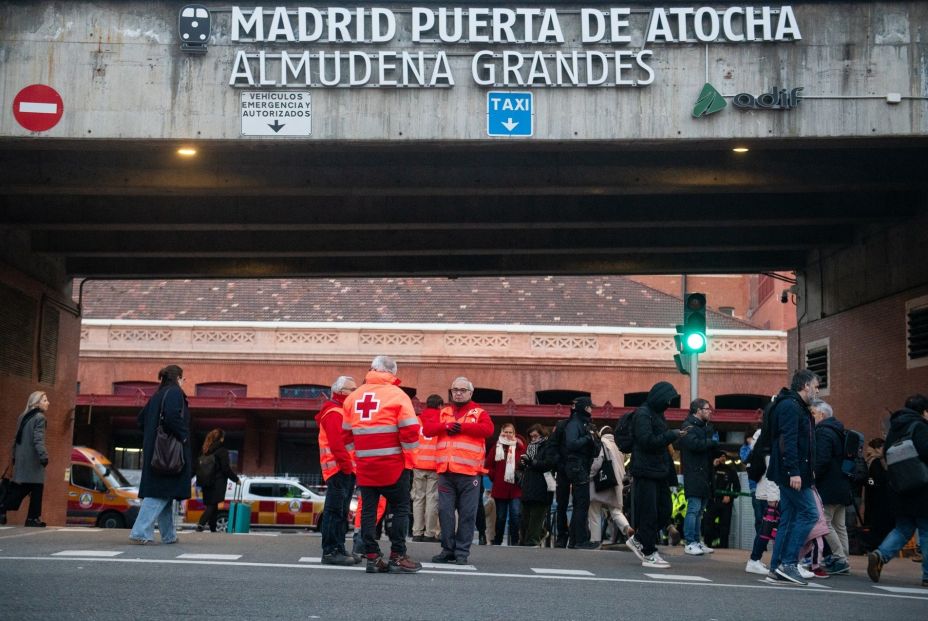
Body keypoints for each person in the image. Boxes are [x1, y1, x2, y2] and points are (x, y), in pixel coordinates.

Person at [343, 355, 422, 574]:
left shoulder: (353, 397)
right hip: (393, 464)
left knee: (368, 511)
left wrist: (358, 460)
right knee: (400, 509)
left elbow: (346, 436)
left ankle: (372, 557)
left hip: (366, 466)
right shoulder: (398, 395)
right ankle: (397, 555)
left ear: (372, 369)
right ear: (392, 374)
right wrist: (410, 459)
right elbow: (410, 432)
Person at [422, 376, 494, 565]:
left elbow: (488, 429)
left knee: (467, 514)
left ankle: (461, 552)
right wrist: (446, 426)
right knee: (445, 512)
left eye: (462, 390)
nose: (458, 393)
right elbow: (428, 429)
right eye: (455, 390)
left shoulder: (479, 412)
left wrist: (461, 427)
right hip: (446, 471)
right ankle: (448, 549)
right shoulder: (444, 411)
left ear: (470, 393)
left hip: (470, 473)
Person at [765, 369, 821, 585]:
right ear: (805, 385)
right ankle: (788, 564)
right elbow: (788, 440)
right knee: (809, 513)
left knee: (788, 518)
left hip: (793, 471)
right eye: (815, 385)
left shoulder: (794, 405)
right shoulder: (791, 406)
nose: (817, 390)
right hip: (792, 473)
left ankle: (777, 567)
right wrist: (794, 471)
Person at [867, 394, 928, 588]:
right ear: (924, 411)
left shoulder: (895, 429)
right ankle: (927, 575)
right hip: (922, 488)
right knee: (926, 530)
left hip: (899, 489)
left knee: (903, 528)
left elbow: (886, 455)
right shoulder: (920, 427)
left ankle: (880, 554)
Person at [129, 364, 192, 545]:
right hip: (168, 453)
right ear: (178, 378)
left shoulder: (157, 395)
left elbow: (141, 420)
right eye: (183, 378)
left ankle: (168, 535)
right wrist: (184, 436)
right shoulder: (174, 393)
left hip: (155, 451)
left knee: (165, 490)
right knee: (160, 492)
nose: (184, 382)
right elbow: (172, 416)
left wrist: (153, 435)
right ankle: (140, 532)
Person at [627, 381, 686, 569]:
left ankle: (639, 540)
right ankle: (649, 551)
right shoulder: (643, 414)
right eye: (668, 399)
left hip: (659, 470)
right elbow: (646, 441)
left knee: (665, 510)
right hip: (645, 470)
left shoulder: (657, 414)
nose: (669, 403)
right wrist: (671, 435)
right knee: (649, 512)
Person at [315, 375, 359, 565]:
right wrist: (348, 467)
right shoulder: (334, 412)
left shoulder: (339, 411)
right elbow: (337, 444)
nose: (356, 393)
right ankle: (331, 551)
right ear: (341, 392)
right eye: (352, 389)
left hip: (342, 469)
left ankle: (339, 548)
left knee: (341, 512)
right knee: (335, 511)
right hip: (339, 469)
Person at [810, 399, 852, 575]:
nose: (811, 416)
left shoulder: (824, 432)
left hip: (829, 486)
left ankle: (840, 559)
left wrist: (812, 476)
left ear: (822, 414)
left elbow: (822, 459)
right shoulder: (839, 431)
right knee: (839, 525)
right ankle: (844, 559)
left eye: (813, 413)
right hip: (842, 485)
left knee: (825, 523)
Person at [0, 391, 50, 527]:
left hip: (22, 460)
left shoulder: (22, 417)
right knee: (37, 487)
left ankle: (3, 507)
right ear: (36, 403)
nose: (48, 403)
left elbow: (16, 439)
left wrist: (15, 456)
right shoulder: (39, 417)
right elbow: (38, 439)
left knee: (22, 488)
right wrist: (44, 456)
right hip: (33, 461)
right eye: (45, 400)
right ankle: (32, 519)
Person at [678, 398, 719, 556]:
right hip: (694, 473)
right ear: (698, 410)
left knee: (700, 510)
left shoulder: (704, 427)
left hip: (704, 474)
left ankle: (696, 540)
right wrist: (711, 442)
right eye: (707, 409)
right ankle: (690, 542)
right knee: (693, 509)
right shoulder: (688, 426)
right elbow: (694, 444)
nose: (709, 412)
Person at [588, 425, 633, 546]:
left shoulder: (602, 442)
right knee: (616, 510)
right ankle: (627, 527)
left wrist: (589, 475)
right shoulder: (619, 447)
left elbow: (598, 462)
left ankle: (595, 541)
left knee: (594, 511)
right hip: (616, 484)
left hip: (601, 482)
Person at [486, 422, 525, 546]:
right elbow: (488, 465)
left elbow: (525, 463)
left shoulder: (520, 447)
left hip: (515, 488)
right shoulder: (496, 447)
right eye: (506, 432)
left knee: (515, 514)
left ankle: (514, 541)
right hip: (500, 487)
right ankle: (498, 540)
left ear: (514, 434)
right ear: (502, 433)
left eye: (510, 432)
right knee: (501, 516)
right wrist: (495, 477)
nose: (508, 434)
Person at [411, 394, 442, 543]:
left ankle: (417, 531)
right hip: (435, 465)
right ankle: (429, 533)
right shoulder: (441, 420)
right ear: (440, 405)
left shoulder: (417, 420)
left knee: (418, 498)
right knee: (432, 499)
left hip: (418, 464)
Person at [196, 428, 240, 533]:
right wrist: (236, 479)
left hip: (205, 481)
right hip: (218, 482)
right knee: (212, 505)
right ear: (221, 439)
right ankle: (201, 524)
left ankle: (213, 528)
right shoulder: (222, 451)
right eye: (223, 437)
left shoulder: (204, 450)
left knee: (213, 505)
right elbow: (226, 468)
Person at [518, 424, 556, 547]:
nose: (533, 438)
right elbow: (529, 466)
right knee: (525, 517)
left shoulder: (548, 446)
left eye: (535, 436)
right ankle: (536, 535)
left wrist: (532, 462)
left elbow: (549, 463)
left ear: (542, 434)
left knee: (536, 516)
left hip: (542, 484)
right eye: (531, 436)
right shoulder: (530, 447)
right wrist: (523, 464)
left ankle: (533, 540)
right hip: (528, 484)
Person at [702, 451, 741, 549]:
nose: (723, 458)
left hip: (726, 503)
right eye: (721, 456)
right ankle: (707, 545)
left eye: (724, 456)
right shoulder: (711, 469)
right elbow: (705, 481)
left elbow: (737, 488)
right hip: (712, 502)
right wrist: (713, 466)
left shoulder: (731, 470)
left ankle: (724, 548)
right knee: (708, 525)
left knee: (725, 527)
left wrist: (730, 497)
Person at [864, 437, 894, 548]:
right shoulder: (876, 461)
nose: (867, 452)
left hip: (878, 499)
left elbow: (875, 480)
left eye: (870, 449)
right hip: (881, 498)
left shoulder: (877, 461)